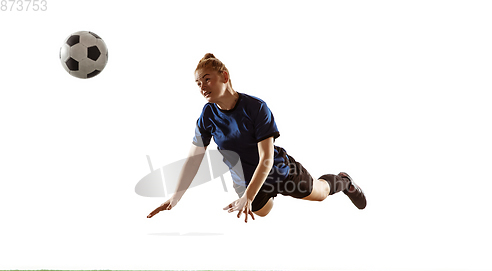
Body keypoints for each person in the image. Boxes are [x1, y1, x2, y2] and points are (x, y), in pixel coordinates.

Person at [147, 54, 366, 222]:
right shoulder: (207, 115)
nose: (202, 87)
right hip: (246, 181)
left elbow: (266, 159)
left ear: (224, 77)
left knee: (321, 194)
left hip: (279, 171)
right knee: (263, 213)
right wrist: (176, 197)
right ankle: (259, 196)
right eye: (198, 83)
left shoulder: (256, 108)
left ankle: (344, 182)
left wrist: (248, 197)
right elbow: (194, 159)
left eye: (207, 79)